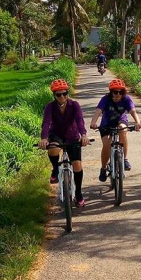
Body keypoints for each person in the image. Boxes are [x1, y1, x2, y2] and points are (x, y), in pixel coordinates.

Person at [40, 79, 90, 207]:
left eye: (64, 93)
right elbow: (46, 123)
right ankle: (55, 169)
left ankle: (78, 193)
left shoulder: (74, 105)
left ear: (67, 93)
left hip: (72, 136)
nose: (62, 96)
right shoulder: (50, 107)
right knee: (53, 149)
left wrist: (83, 135)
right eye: (58, 94)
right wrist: (44, 139)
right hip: (56, 135)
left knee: (77, 165)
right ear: (54, 96)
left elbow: (79, 120)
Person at [89, 79, 141, 182]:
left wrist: (137, 122)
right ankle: (103, 168)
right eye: (115, 92)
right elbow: (98, 112)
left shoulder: (126, 99)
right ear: (111, 92)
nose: (118, 94)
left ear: (124, 92)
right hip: (106, 123)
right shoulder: (105, 99)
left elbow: (133, 111)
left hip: (120, 121)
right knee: (106, 144)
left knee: (123, 130)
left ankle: (124, 159)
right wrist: (93, 123)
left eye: (121, 92)